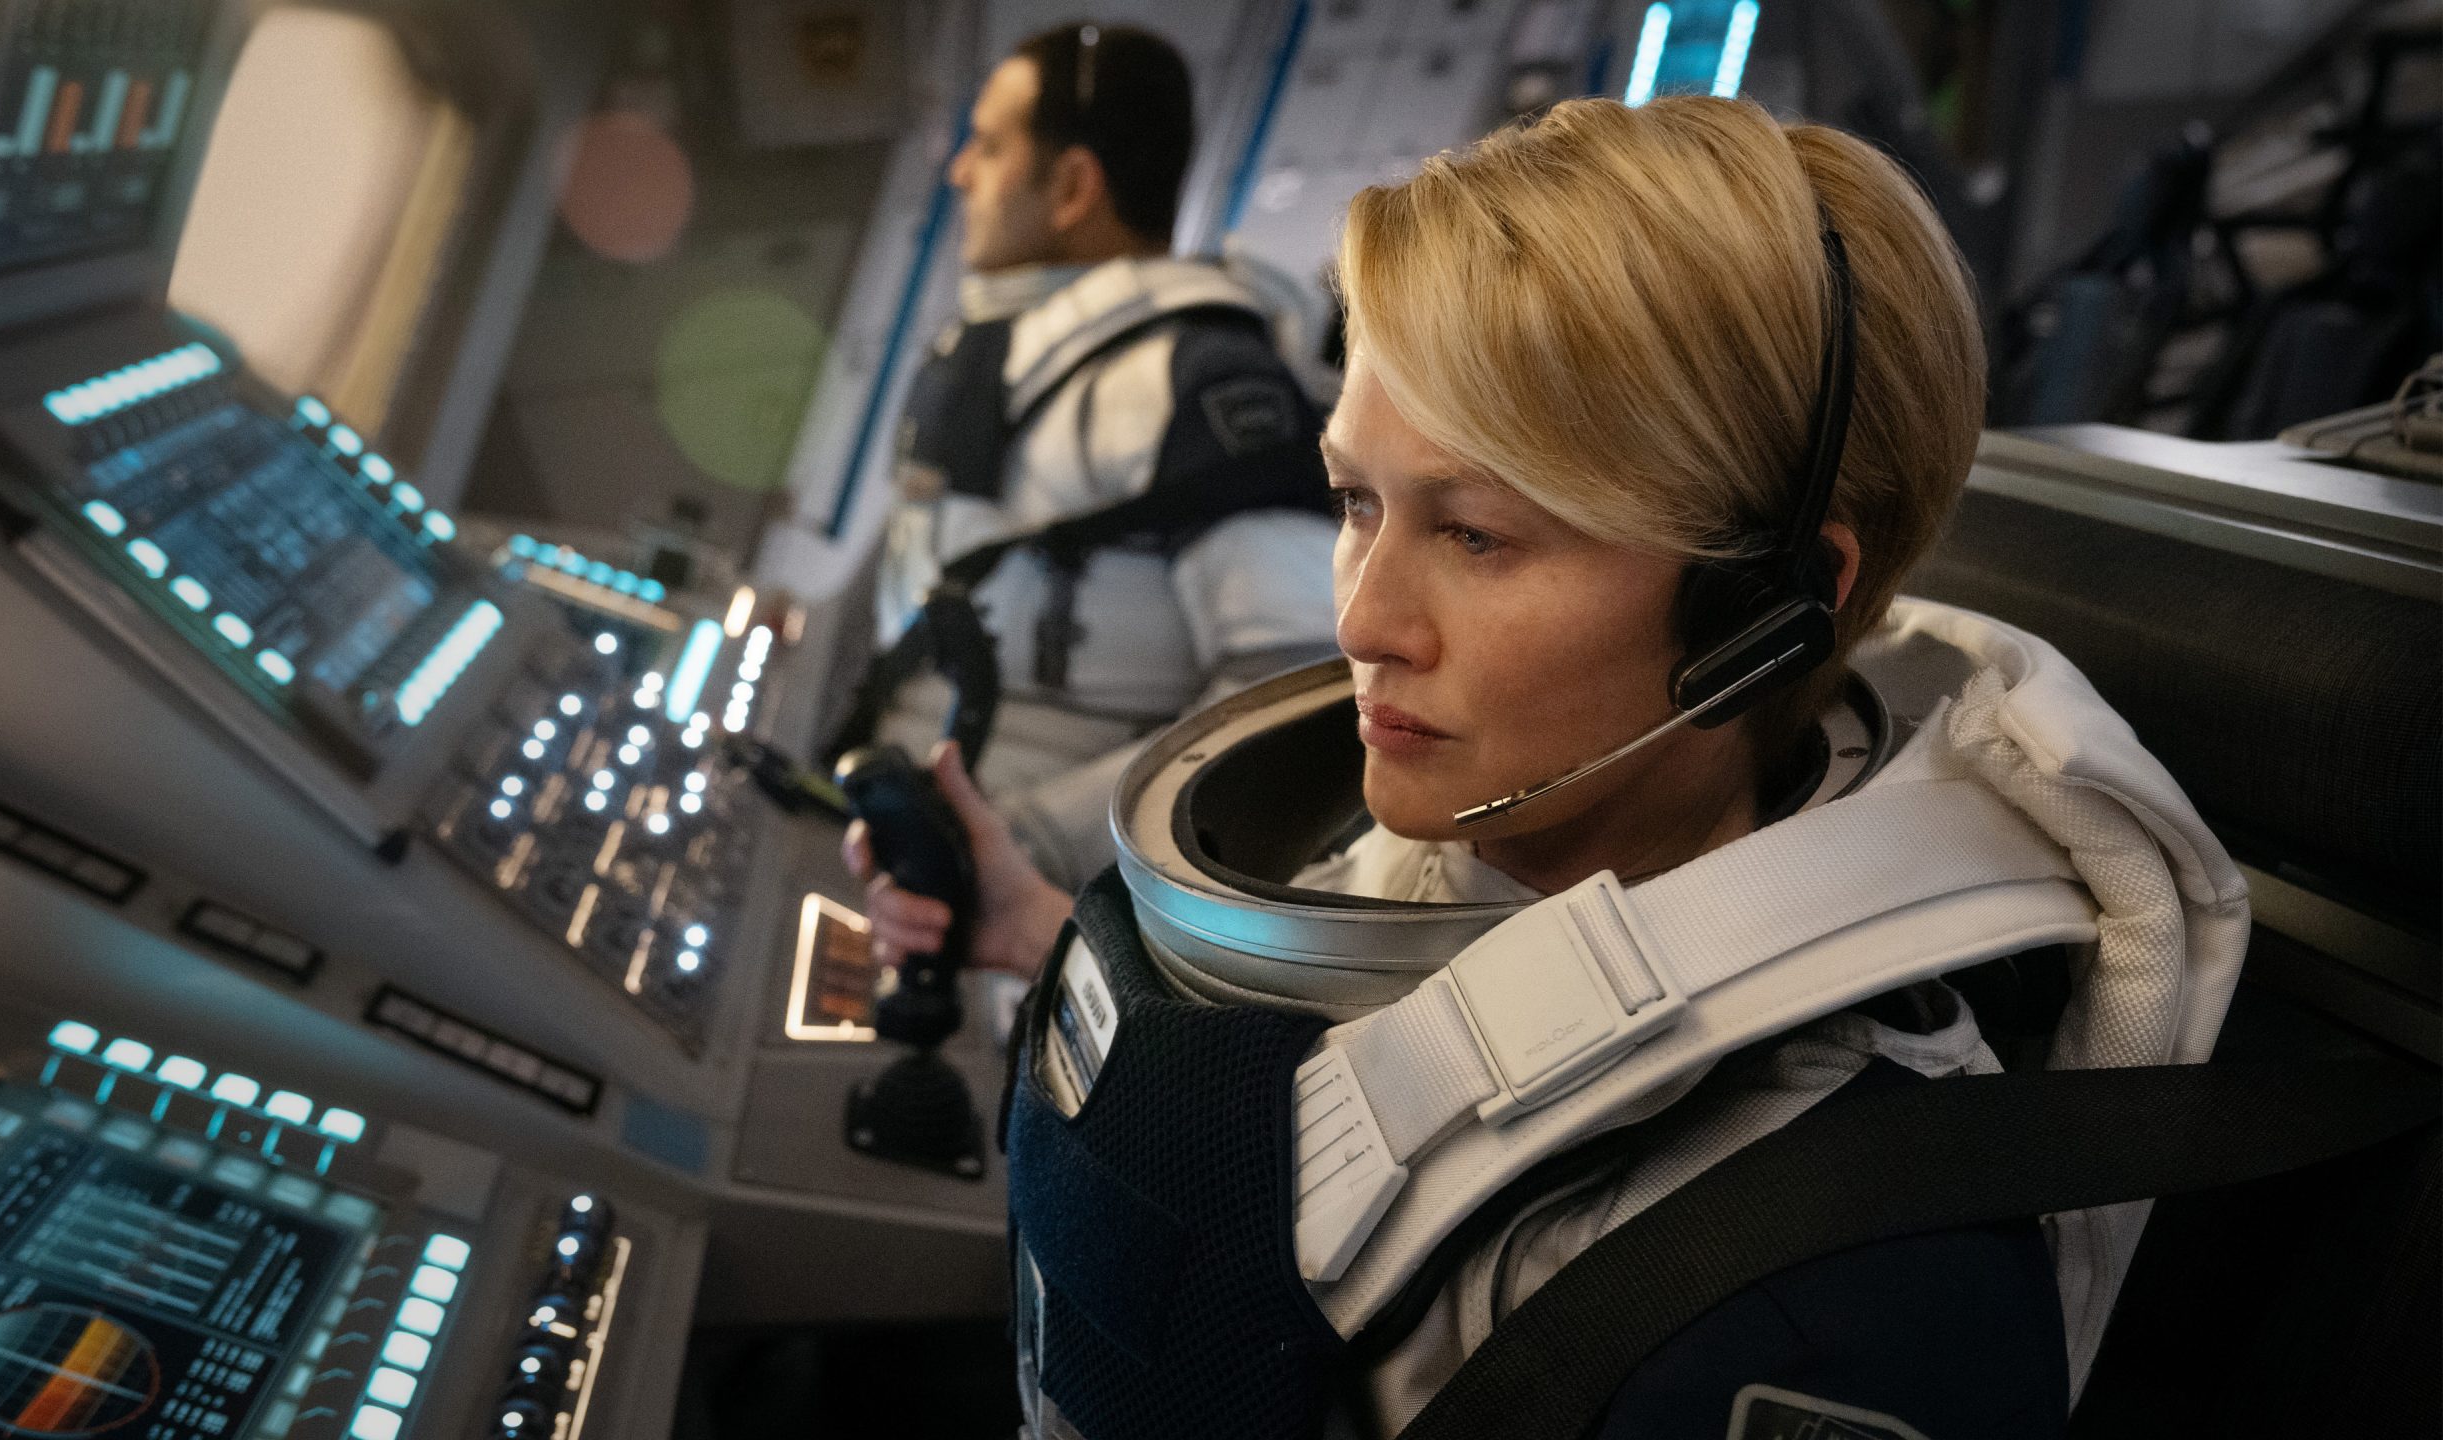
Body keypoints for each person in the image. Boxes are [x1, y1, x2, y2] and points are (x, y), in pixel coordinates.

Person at [876, 95, 2249, 1439]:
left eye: (1476, 534)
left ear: (1766, 605)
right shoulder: (1462, 842)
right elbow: (1360, 1084)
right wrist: (1030, 932)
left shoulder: (1830, 1293)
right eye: (1357, 501)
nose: (1360, 621)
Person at [839, 22, 1339, 969]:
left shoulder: (1197, 383)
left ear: (1071, 187)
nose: (957, 173)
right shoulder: (991, 362)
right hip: (944, 871)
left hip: (1079, 914)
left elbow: (1299, 693)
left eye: (988, 147)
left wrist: (1030, 845)